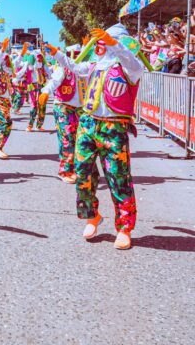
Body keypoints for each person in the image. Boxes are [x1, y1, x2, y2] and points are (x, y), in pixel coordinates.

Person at [48, 24, 145, 250]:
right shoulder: (94, 66)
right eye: (101, 40)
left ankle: (124, 228)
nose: (100, 44)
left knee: (118, 178)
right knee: (82, 172)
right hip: (88, 123)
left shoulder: (130, 67)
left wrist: (114, 43)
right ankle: (92, 216)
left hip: (114, 127)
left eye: (105, 41)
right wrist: (57, 54)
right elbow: (72, 67)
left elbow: (131, 60)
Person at [39, 44, 85, 184]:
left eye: (79, 54)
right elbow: (53, 81)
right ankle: (65, 171)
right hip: (63, 107)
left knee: (78, 140)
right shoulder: (62, 69)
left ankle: (75, 168)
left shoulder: (85, 70)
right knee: (67, 139)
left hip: (79, 109)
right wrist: (46, 92)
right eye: (75, 54)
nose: (77, 57)